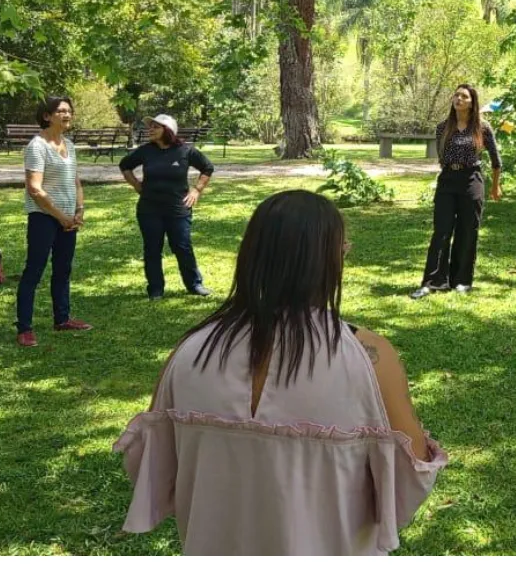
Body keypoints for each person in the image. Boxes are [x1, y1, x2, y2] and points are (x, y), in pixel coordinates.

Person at [114, 190, 447, 555]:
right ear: (332, 260)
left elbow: (153, 473)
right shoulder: (368, 357)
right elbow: (410, 478)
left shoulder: (189, 352)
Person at [410, 84, 502, 299]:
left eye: (464, 96)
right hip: (448, 181)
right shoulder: (443, 127)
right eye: (457, 95)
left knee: (467, 231)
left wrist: (495, 186)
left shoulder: (483, 128)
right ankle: (432, 281)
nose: (458, 99)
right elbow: (442, 158)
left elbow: (497, 161)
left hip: (472, 180)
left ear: (472, 103)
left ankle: (461, 280)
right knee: (441, 231)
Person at [15, 96, 92, 346]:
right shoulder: (37, 146)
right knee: (34, 271)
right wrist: (61, 217)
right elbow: (34, 189)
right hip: (44, 218)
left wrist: (79, 210)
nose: (66, 115)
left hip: (68, 218)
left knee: (63, 270)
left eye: (69, 110)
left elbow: (75, 181)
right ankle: (24, 328)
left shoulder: (69, 144)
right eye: (60, 111)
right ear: (47, 116)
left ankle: (62, 319)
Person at [119, 114, 214, 300]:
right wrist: (136, 185)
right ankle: (156, 289)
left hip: (178, 209)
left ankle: (194, 284)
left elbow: (207, 167)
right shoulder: (146, 150)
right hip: (149, 209)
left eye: (156, 126)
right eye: (150, 126)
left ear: (168, 130)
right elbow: (125, 165)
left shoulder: (185, 151)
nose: (150, 129)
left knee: (182, 246)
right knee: (152, 248)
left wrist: (196, 190)